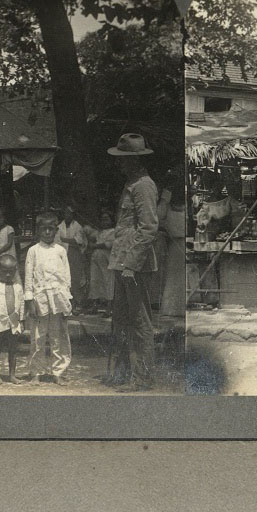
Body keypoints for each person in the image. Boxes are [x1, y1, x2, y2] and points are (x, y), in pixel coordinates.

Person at [106, 133, 159, 391]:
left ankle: (143, 377)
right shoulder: (131, 184)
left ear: (134, 159)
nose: (118, 164)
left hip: (134, 266)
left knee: (140, 322)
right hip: (122, 262)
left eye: (123, 159)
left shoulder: (143, 186)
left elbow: (148, 227)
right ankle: (124, 373)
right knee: (122, 321)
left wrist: (131, 264)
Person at [24, 211, 72, 385]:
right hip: (40, 299)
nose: (47, 232)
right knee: (38, 337)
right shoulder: (33, 251)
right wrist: (30, 301)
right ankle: (35, 372)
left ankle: (58, 372)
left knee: (57, 336)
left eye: (50, 229)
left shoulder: (60, 251)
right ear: (38, 230)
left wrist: (67, 301)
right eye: (43, 229)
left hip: (58, 298)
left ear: (56, 230)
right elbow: (29, 277)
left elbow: (66, 277)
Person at [0, 251, 24, 385]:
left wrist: (21, 321)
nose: (8, 275)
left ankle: (12, 375)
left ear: (15, 270)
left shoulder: (18, 287)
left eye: (11, 271)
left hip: (13, 322)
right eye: (4, 271)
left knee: (13, 349)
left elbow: (21, 304)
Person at [156, 184, 187, 318]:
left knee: (177, 275)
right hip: (174, 242)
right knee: (174, 275)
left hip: (180, 242)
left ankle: (176, 308)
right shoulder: (167, 206)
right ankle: (173, 308)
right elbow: (158, 217)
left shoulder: (182, 207)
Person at [55, 206, 88, 311]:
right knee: (64, 278)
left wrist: (64, 239)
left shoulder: (78, 227)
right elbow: (57, 242)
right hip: (63, 255)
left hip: (74, 255)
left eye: (70, 214)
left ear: (73, 215)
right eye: (66, 213)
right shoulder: (60, 227)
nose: (67, 216)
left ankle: (77, 303)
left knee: (75, 279)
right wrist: (68, 241)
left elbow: (78, 241)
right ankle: (67, 303)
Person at [86, 211, 116, 314]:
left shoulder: (113, 231)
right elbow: (90, 235)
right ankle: (95, 305)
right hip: (96, 258)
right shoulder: (99, 232)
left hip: (106, 258)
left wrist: (96, 245)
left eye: (106, 219)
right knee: (94, 280)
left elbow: (109, 244)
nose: (104, 222)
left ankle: (109, 307)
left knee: (108, 280)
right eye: (102, 220)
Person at [0, 207, 19, 283]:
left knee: (9, 275)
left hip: (7, 256)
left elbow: (9, 243)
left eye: (0, 218)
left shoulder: (9, 229)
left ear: (4, 218)